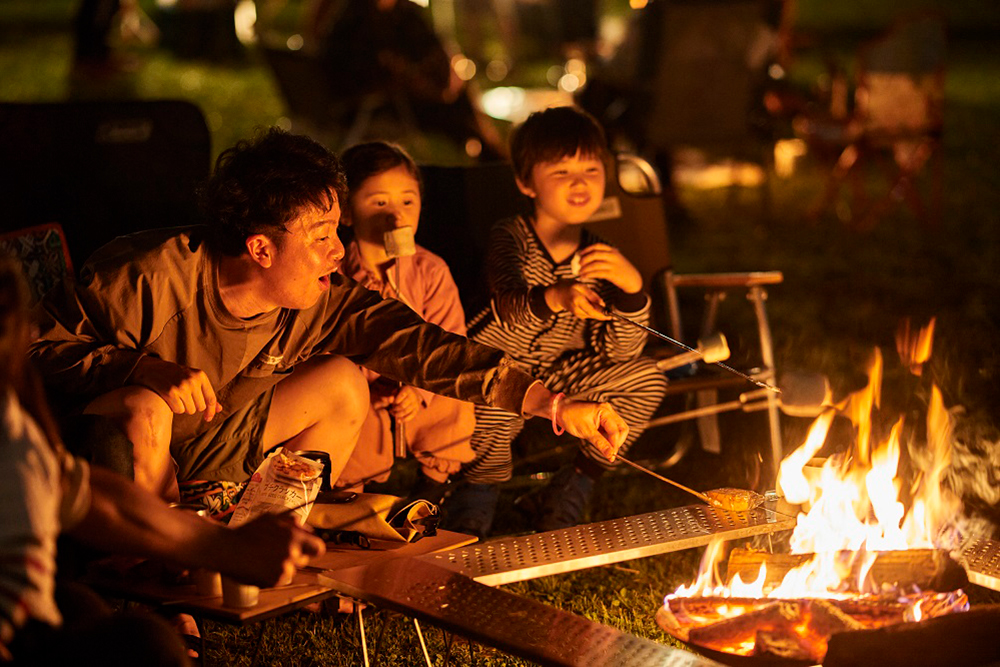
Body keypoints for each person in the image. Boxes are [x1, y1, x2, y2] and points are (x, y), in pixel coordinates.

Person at [28, 127, 628, 507]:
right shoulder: (146, 277)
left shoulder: (324, 296)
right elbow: (32, 350)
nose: (339, 252)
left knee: (342, 382)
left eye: (337, 231)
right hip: (105, 454)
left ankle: (266, 538)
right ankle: (161, 576)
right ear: (260, 247)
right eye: (320, 237)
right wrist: (142, 370)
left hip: (216, 444)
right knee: (145, 405)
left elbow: (427, 349)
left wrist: (553, 404)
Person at [0, 256, 325, 664]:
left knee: (101, 619)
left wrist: (220, 543)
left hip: (31, 620)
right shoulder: (143, 280)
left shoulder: (10, 424)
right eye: (16, 329)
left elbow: (77, 490)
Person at [448, 106, 670, 536]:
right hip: (495, 367)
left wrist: (632, 290)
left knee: (648, 377)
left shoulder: (599, 253)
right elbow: (508, 309)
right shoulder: (510, 237)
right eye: (561, 171)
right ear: (525, 182)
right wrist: (555, 297)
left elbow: (618, 350)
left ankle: (575, 484)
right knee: (493, 408)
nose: (580, 182)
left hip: (559, 372)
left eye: (590, 168)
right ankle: (476, 495)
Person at [335, 141, 475, 498]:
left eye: (407, 202)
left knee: (455, 400)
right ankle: (352, 498)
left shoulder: (430, 270)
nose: (396, 215)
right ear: (347, 212)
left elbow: (449, 339)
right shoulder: (335, 274)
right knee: (350, 422)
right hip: (364, 391)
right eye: (379, 202)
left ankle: (431, 489)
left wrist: (418, 388)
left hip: (421, 385)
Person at [308, 0, 506, 161]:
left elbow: (432, 45)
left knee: (458, 97)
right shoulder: (358, 21)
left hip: (393, 98)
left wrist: (449, 66)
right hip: (376, 106)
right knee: (456, 108)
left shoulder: (400, 13)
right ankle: (489, 152)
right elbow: (365, 72)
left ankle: (487, 148)